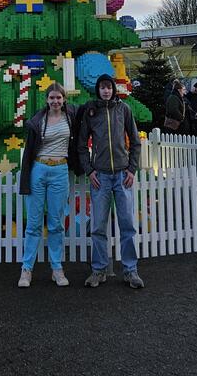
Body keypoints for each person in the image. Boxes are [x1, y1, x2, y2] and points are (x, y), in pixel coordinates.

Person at [78, 74, 144, 289]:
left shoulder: (123, 109)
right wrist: (89, 170)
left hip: (122, 175)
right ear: (98, 90)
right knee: (98, 226)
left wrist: (132, 169)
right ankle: (99, 270)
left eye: (109, 87)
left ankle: (130, 270)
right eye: (102, 87)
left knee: (127, 225)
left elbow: (135, 141)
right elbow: (81, 145)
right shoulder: (91, 111)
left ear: (114, 89)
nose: (106, 91)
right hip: (102, 177)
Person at [17, 82, 81, 288]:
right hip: (39, 169)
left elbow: (90, 110)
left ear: (64, 100)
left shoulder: (71, 116)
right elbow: (29, 150)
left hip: (60, 170)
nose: (55, 101)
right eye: (52, 98)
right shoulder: (38, 120)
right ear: (47, 99)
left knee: (56, 223)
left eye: (59, 98)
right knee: (34, 223)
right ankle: (27, 269)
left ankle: (56, 268)